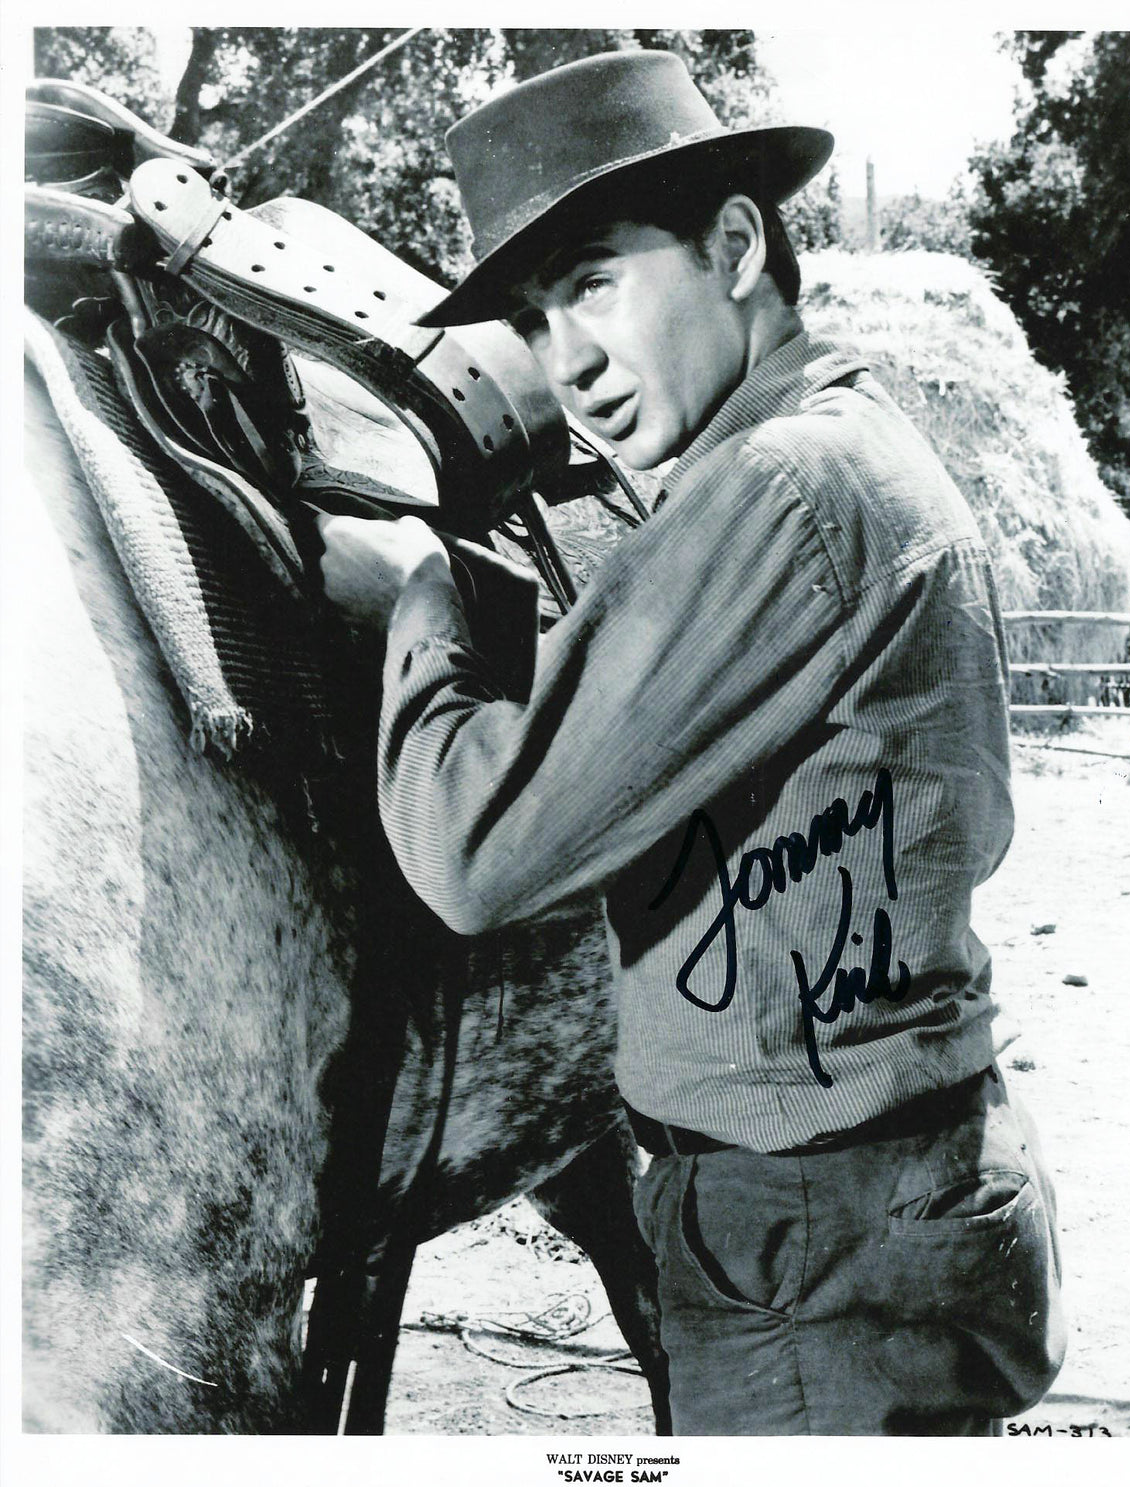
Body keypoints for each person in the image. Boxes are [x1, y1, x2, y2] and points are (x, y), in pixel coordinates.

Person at [317, 49, 1065, 1435]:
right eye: (535, 324)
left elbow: (474, 853)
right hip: (871, 1203)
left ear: (735, 245)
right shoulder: (841, 442)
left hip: (814, 1248)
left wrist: (425, 590)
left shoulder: (779, 486)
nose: (568, 366)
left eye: (594, 282)